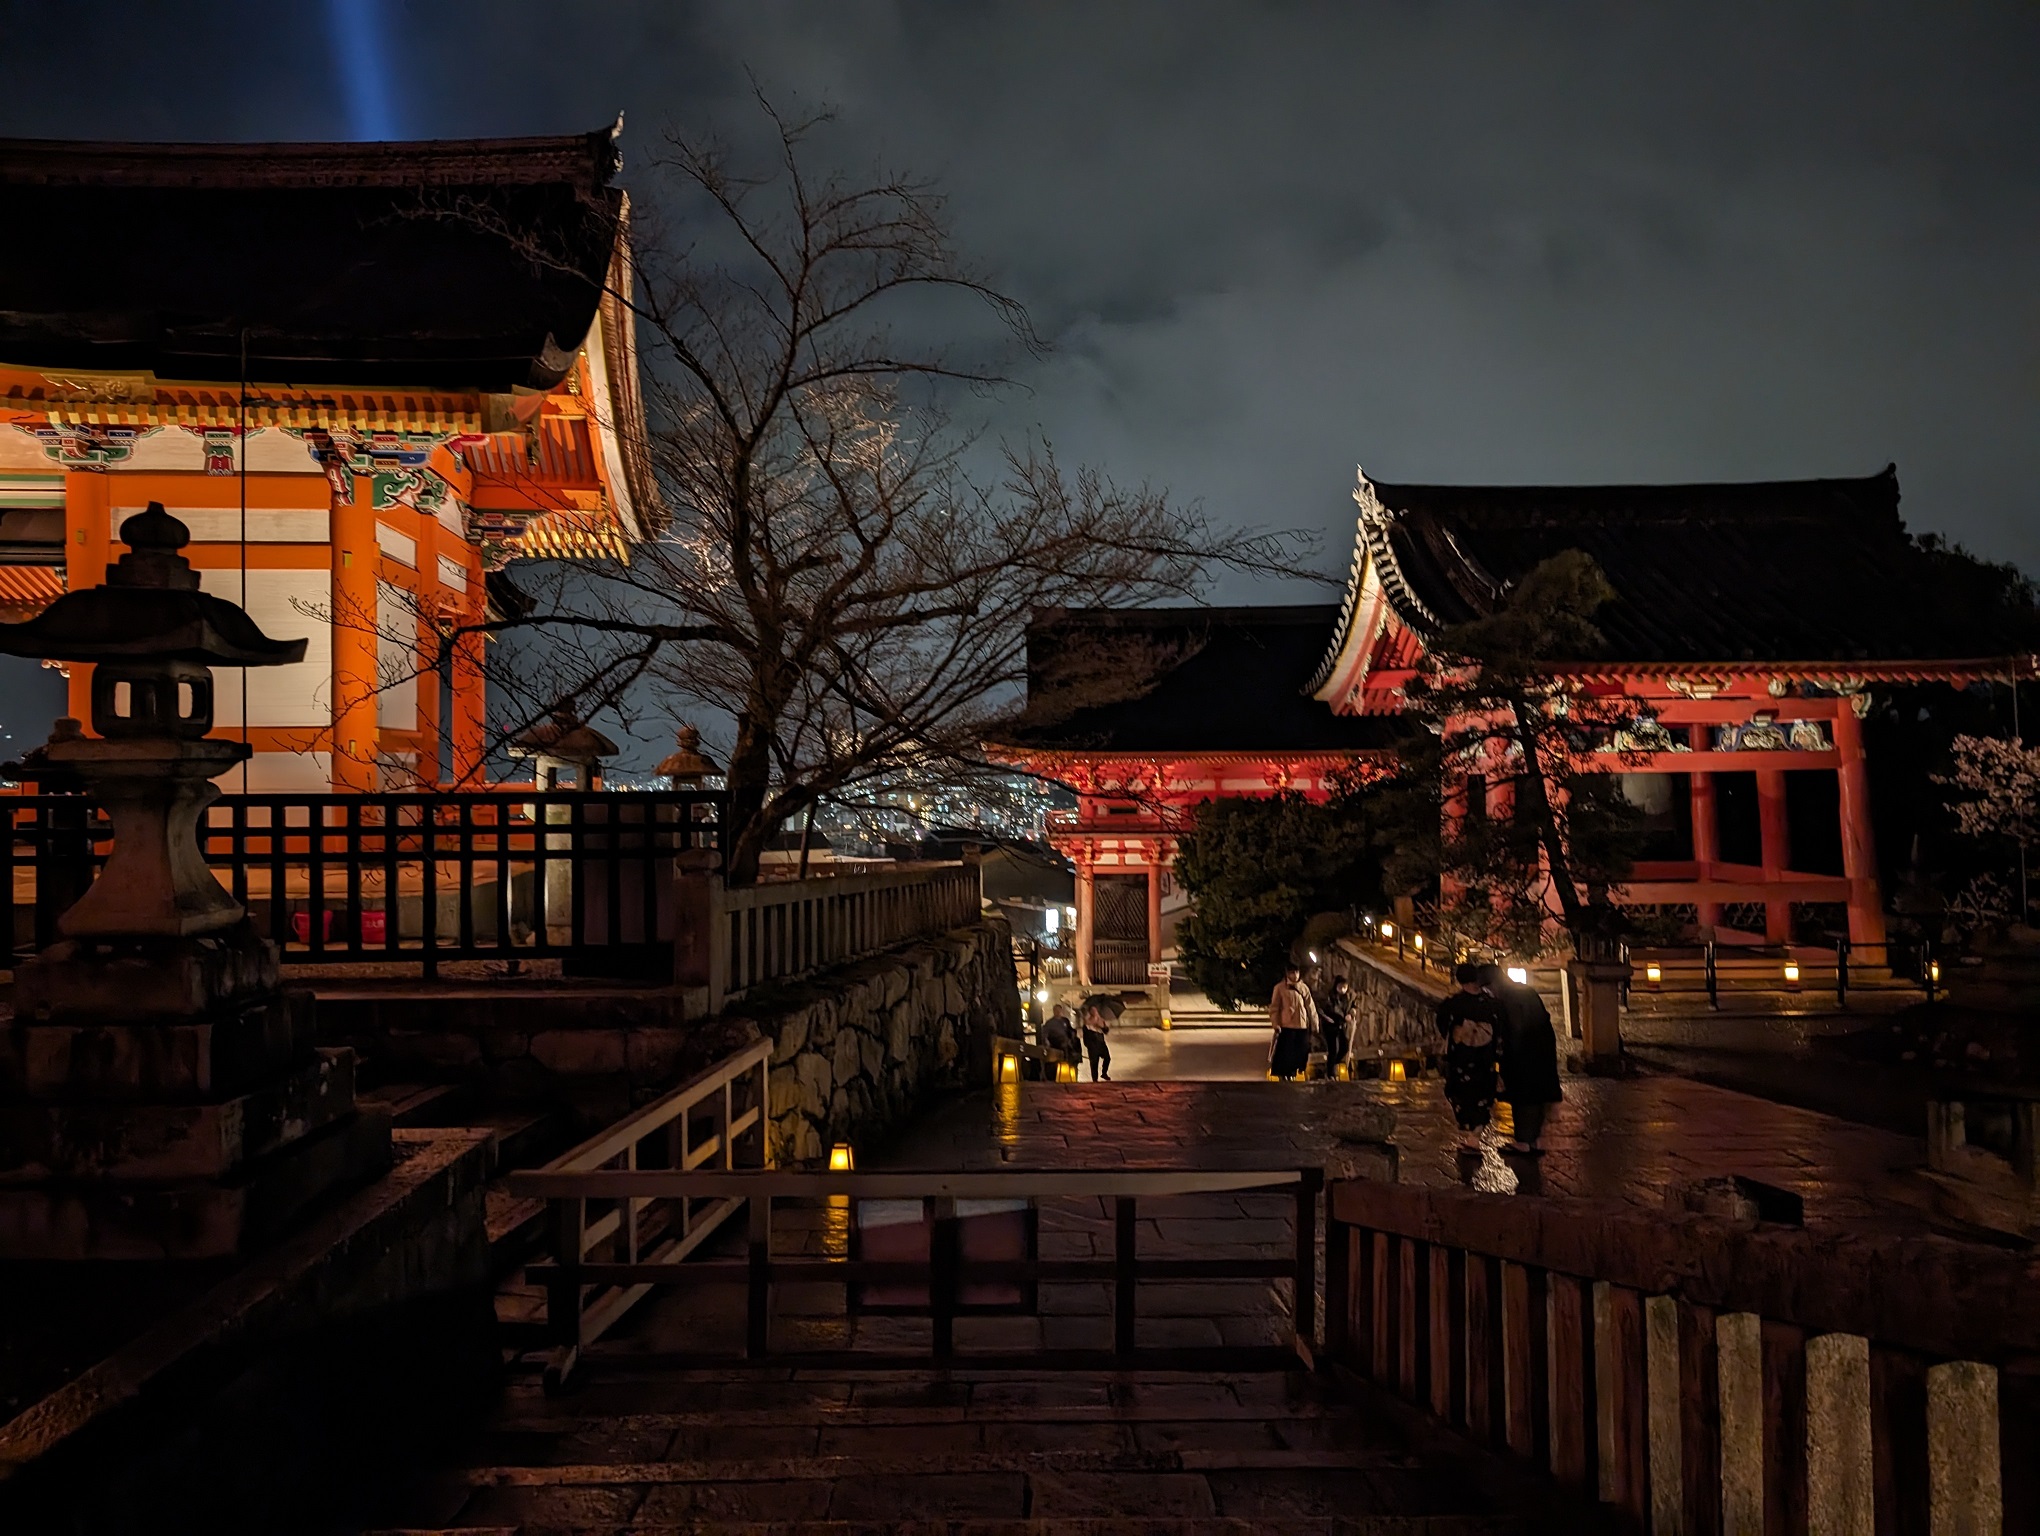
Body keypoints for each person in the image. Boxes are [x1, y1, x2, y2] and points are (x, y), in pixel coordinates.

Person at [1484, 964, 1562, 1154]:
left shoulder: (1509, 999)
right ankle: (1533, 1141)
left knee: (1524, 1097)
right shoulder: (1525, 991)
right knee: (1536, 1097)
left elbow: (1516, 1027)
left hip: (1524, 1053)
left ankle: (1524, 1142)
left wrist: (1505, 1052)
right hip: (1541, 1050)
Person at [1435, 961, 1505, 1148]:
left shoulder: (1453, 1004)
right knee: (1483, 1092)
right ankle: (1476, 1132)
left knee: (1460, 1092)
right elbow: (1499, 1028)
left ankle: (1469, 1133)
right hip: (1485, 1057)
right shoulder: (1492, 1005)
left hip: (1462, 1057)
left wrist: (1457, 1033)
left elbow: (1443, 1024)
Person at [1267, 963, 1317, 1080]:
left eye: (1296, 972)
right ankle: (1286, 1074)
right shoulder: (1280, 988)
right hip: (1287, 1024)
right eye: (1291, 973)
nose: (1294, 975)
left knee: (1301, 1049)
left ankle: (1294, 1071)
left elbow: (1310, 1006)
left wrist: (1314, 1023)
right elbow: (1274, 1007)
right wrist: (1276, 1024)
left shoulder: (1303, 988)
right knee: (1286, 1051)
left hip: (1302, 1024)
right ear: (1287, 974)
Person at [1078, 993, 1120, 1081]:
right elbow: (1086, 1035)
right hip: (1093, 1044)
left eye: (1095, 1010)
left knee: (1107, 1058)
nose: (1095, 1012)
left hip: (1101, 1042)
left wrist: (1103, 1026)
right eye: (1093, 1011)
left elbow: (1106, 1031)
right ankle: (1095, 1079)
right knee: (1094, 1063)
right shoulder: (1087, 1023)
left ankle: (1104, 1073)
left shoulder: (1101, 1020)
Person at [1319, 975, 1353, 1070]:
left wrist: (1351, 1013)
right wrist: (1342, 1017)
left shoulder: (1348, 997)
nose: (1342, 989)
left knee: (1344, 1047)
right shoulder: (1329, 996)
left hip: (1341, 1024)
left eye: (1344, 987)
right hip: (1330, 1024)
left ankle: (1332, 1065)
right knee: (1333, 1049)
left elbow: (1353, 1006)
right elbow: (1329, 1009)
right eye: (1340, 987)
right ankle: (1330, 1072)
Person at [1041, 1003, 1082, 1071]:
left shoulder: (1065, 1020)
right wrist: (1047, 1042)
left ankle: (1075, 1060)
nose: (1058, 1012)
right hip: (1056, 1042)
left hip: (1067, 1040)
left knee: (1076, 1042)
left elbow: (1070, 1030)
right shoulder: (1050, 1023)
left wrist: (1073, 1034)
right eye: (1056, 1010)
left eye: (1059, 1010)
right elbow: (1045, 1034)